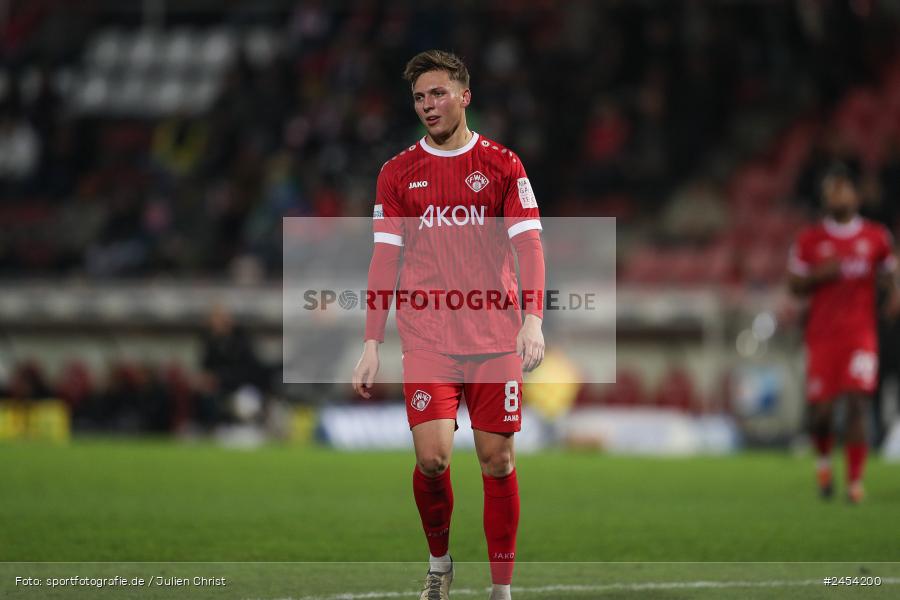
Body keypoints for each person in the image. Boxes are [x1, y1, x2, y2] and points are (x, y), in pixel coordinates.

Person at [351, 50, 545, 600]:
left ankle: (501, 590)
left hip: (493, 337)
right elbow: (383, 258)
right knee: (432, 458)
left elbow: (528, 245)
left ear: (465, 95)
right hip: (429, 336)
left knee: (498, 459)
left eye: (438, 94)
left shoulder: (505, 165)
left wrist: (532, 318)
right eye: (419, 97)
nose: (428, 106)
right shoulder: (396, 173)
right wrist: (372, 340)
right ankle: (440, 563)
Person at [788, 163, 900, 504]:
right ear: (825, 198)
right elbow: (794, 286)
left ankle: (854, 483)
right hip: (822, 337)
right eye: (832, 190)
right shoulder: (809, 240)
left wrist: (894, 298)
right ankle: (823, 463)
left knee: (855, 404)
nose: (838, 196)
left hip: (860, 335)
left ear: (856, 194)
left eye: (843, 189)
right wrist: (819, 275)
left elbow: (889, 273)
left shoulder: (876, 237)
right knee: (821, 414)